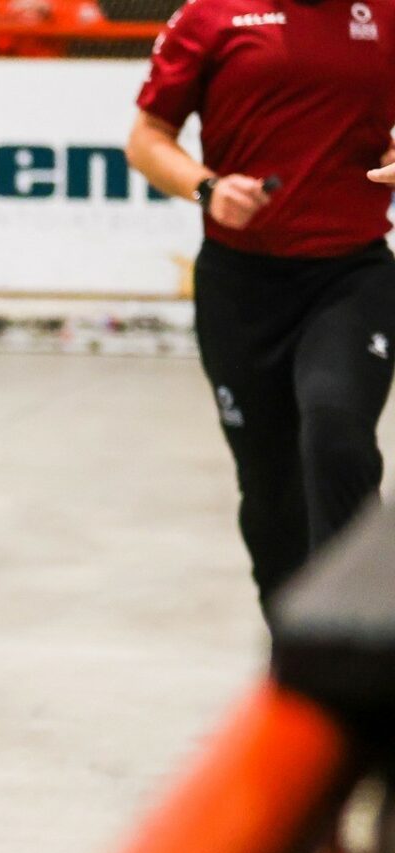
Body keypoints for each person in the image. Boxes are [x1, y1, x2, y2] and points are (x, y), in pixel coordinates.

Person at [126, 0, 395, 621]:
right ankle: (292, 650)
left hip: (351, 277)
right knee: (271, 493)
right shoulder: (209, 16)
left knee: (337, 433)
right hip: (240, 287)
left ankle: (356, 634)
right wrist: (208, 188)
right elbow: (146, 140)